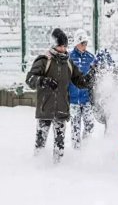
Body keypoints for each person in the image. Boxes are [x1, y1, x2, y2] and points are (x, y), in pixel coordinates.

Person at [26, 28, 98, 163]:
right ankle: (37, 168)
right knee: (40, 145)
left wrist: (90, 77)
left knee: (59, 147)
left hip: (61, 110)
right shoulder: (44, 60)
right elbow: (29, 79)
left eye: (65, 46)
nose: (63, 49)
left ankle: (57, 170)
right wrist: (43, 81)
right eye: (60, 45)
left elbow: (80, 81)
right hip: (45, 110)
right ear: (53, 45)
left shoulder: (68, 63)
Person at [69, 29, 95, 149]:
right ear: (76, 42)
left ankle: (86, 146)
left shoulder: (91, 58)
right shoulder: (68, 58)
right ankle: (76, 149)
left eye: (86, 43)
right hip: (73, 99)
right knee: (75, 126)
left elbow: (95, 77)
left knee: (89, 124)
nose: (85, 45)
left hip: (86, 99)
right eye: (82, 43)